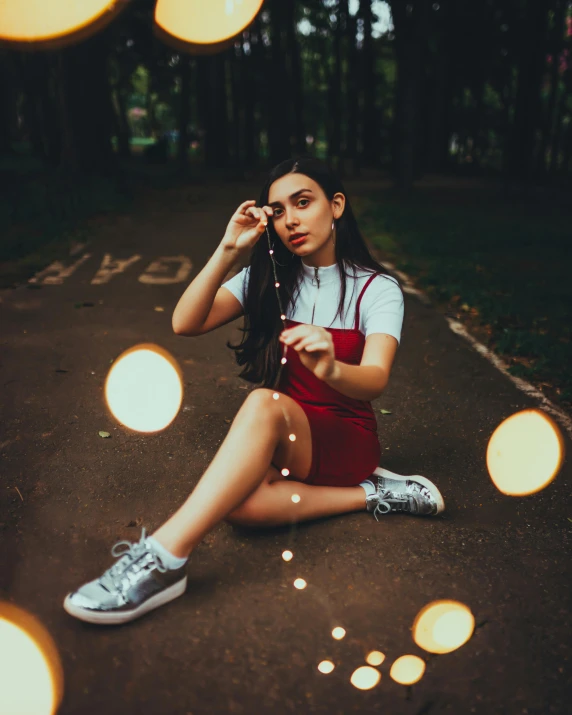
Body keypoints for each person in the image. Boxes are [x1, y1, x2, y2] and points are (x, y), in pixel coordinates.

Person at [63, 156, 445, 625]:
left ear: (337, 205)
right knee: (240, 508)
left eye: (303, 202)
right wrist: (228, 249)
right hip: (287, 440)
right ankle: (375, 493)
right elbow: (186, 322)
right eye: (278, 211)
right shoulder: (267, 278)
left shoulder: (378, 289)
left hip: (345, 436)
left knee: (262, 402)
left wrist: (331, 367)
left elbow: (376, 378)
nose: (291, 220)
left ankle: (164, 557)